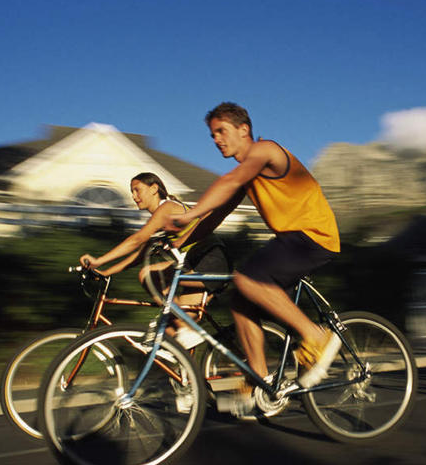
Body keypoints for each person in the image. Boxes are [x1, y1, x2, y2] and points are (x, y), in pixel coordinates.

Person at [165, 102, 341, 415]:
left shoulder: (265, 151)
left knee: (248, 277)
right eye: (212, 135)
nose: (216, 139)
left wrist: (189, 212)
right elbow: (213, 218)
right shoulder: (246, 175)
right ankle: (260, 380)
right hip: (292, 240)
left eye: (222, 131)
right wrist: (178, 245)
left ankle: (317, 336)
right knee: (238, 299)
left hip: (314, 236)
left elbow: (228, 182)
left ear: (243, 129)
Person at [79, 172, 230, 347]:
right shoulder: (159, 219)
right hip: (195, 263)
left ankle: (186, 328)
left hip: (211, 262)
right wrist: (105, 272)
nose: (134, 196)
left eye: (137, 190)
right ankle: (177, 370)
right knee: (167, 331)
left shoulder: (166, 208)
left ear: (154, 188)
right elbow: (138, 256)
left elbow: (136, 240)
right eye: (131, 192)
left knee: (148, 275)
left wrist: (99, 260)